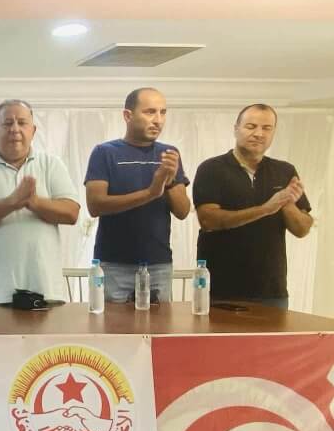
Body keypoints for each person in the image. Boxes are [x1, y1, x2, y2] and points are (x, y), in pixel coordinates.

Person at [0, 100, 80, 304]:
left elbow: (71, 213)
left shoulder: (51, 165)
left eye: (22, 123)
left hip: (45, 291)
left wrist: (35, 202)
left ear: (33, 130)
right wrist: (11, 202)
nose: (15, 129)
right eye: (7, 123)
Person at [193, 104, 313, 309]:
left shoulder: (284, 171)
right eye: (251, 126)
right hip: (221, 289)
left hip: (271, 291)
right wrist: (266, 208)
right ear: (236, 129)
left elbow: (302, 229)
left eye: (267, 128)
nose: (259, 133)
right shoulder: (212, 168)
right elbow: (208, 220)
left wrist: (286, 203)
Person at [85, 87, 190, 302]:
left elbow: (183, 211)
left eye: (163, 112)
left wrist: (169, 181)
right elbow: (95, 205)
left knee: (160, 324)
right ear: (128, 115)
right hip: (113, 264)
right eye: (150, 112)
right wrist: (151, 192)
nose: (158, 120)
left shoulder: (169, 153)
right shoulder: (104, 152)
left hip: (158, 264)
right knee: (112, 323)